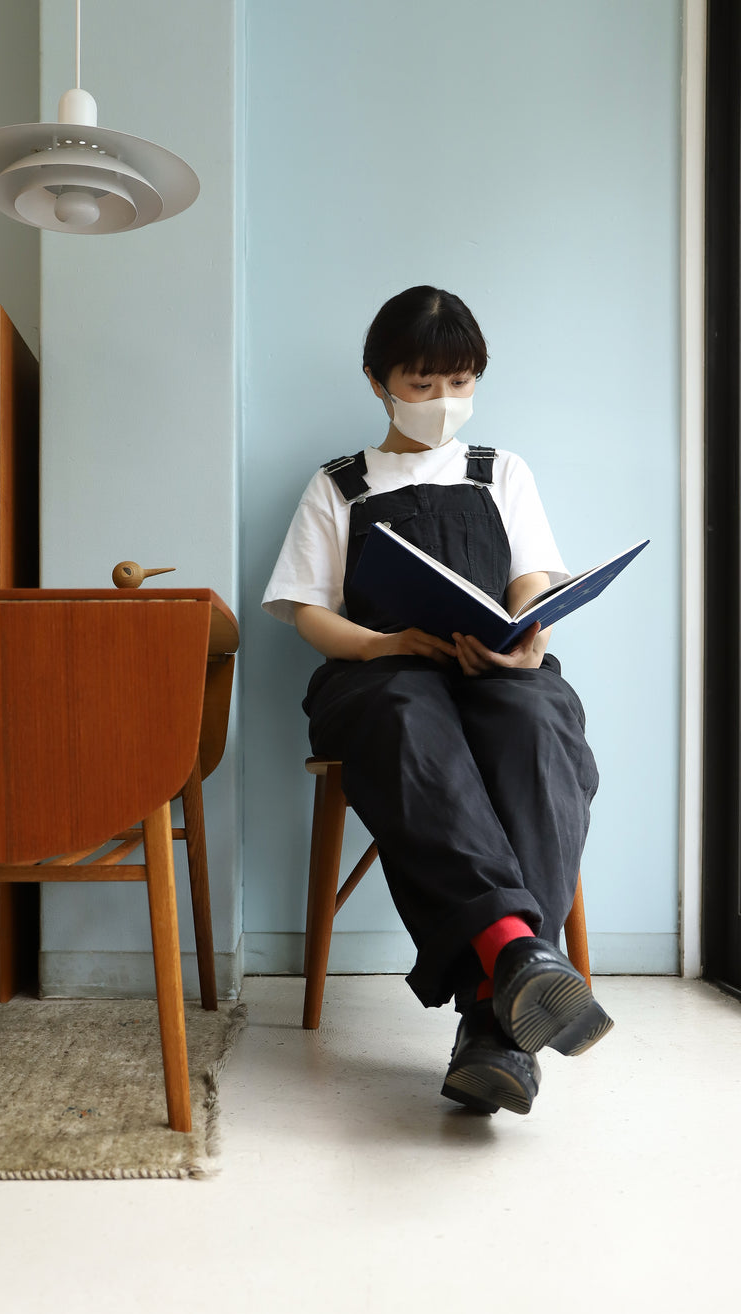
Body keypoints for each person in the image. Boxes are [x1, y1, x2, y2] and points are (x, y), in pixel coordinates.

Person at [262, 284, 612, 1117]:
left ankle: (497, 1007)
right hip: (380, 672)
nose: (443, 403)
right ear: (378, 381)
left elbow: (532, 574)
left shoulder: (502, 471)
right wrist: (386, 644)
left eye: (461, 383)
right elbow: (308, 609)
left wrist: (530, 636)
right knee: (408, 717)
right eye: (422, 384)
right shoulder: (338, 484)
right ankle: (514, 963)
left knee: (536, 721)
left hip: (492, 666)